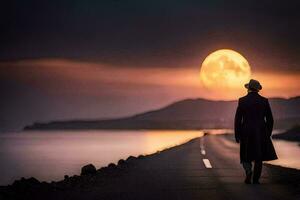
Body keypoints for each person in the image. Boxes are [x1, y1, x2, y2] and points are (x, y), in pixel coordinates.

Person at [234, 79, 278, 184]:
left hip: (246, 131)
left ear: (248, 88)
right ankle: (256, 179)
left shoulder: (242, 100)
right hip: (261, 132)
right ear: (258, 89)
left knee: (245, 155)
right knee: (259, 157)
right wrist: (268, 133)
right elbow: (270, 119)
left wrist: (237, 134)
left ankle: (248, 171)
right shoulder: (264, 101)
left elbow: (238, 119)